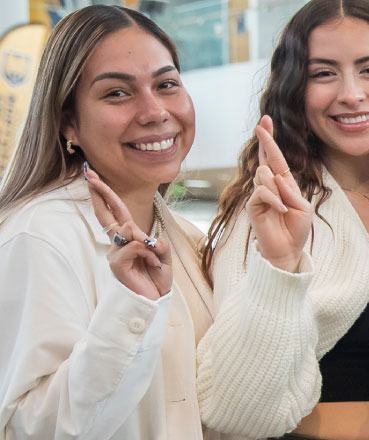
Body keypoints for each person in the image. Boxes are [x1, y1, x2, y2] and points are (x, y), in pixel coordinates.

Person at [0, 6, 267, 438]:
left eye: (166, 85)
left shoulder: (187, 239)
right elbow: (27, 429)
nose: (154, 111)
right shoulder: (38, 235)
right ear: (68, 123)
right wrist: (131, 308)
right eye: (117, 93)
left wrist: (280, 264)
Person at [193, 0, 369, 437]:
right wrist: (280, 265)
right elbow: (234, 406)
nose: (351, 93)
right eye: (323, 74)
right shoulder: (271, 212)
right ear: (295, 91)